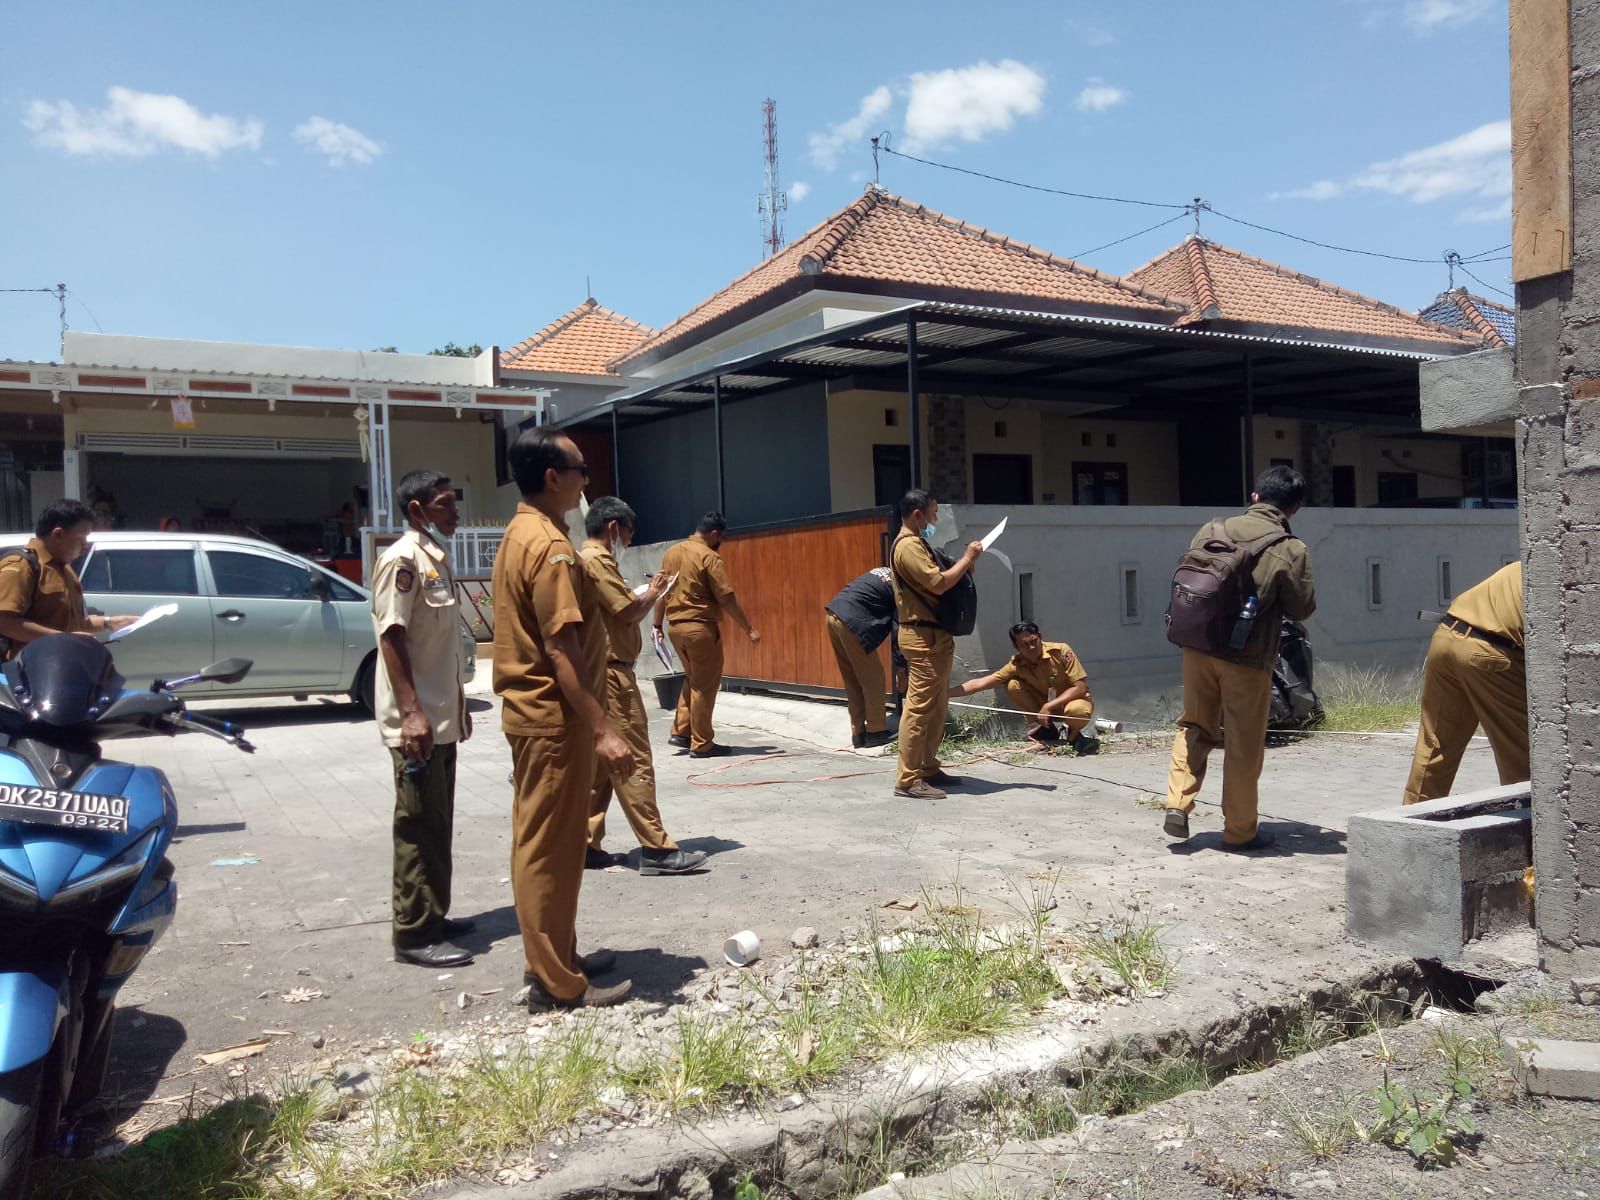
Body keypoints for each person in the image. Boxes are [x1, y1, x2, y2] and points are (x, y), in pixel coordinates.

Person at [493, 428, 635, 1010]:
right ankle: (555, 981)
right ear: (553, 478)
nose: (586, 481)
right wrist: (603, 729)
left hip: (540, 716)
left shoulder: (523, 531)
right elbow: (561, 649)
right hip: (552, 719)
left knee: (553, 843)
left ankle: (558, 956)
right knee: (546, 848)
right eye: (580, 470)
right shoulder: (549, 547)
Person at [1162, 466, 1316, 851]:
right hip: (1247, 656)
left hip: (1198, 645)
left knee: (1195, 725)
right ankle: (1240, 831)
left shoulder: (1212, 529)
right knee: (1243, 743)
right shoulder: (1290, 548)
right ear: (1295, 508)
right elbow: (1301, 608)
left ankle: (1177, 802)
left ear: (1254, 497)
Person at [372, 470, 472, 969]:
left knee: (437, 822)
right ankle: (413, 932)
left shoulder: (436, 558)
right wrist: (412, 712)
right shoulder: (402, 560)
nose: (455, 512)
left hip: (439, 719)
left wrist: (455, 710)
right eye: (445, 504)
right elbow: (392, 636)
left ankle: (434, 914)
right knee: (417, 825)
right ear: (417, 510)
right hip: (417, 723)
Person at [580, 497, 710, 876]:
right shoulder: (596, 561)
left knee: (601, 767)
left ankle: (585, 843)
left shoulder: (590, 561)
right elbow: (627, 610)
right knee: (632, 758)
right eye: (628, 533)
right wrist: (656, 591)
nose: (629, 540)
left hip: (602, 672)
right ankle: (656, 848)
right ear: (613, 528)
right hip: (612, 676)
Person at [1401, 560, 1527, 806]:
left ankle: (1409, 818)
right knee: (1524, 756)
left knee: (1435, 746)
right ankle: (1531, 820)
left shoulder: (1529, 562)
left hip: (1447, 635)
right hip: (1490, 652)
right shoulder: (1567, 575)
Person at [890, 490, 983, 799]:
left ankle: (928, 767)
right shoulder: (908, 546)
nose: (936, 519)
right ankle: (908, 779)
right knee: (919, 709)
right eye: (933, 513)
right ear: (917, 514)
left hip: (934, 636)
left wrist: (964, 566)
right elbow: (938, 583)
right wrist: (967, 559)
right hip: (922, 638)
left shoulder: (919, 544)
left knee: (936, 706)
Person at [652, 512, 760, 758]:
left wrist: (656, 625)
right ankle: (702, 743)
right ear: (714, 534)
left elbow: (660, 592)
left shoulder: (671, 552)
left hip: (675, 627)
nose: (721, 542)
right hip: (699, 628)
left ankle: (682, 731)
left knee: (693, 678)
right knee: (704, 685)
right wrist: (748, 628)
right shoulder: (709, 557)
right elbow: (726, 598)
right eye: (721, 538)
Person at [0, 499, 136, 659]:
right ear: (58, 534)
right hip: (36, 668)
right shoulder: (22, 566)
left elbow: (74, 623)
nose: (85, 545)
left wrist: (108, 622)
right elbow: (4, 622)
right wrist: (63, 639)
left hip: (66, 664)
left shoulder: (64, 568)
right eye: (81, 538)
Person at [951, 621, 1098, 752]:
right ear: (1016, 647)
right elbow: (981, 683)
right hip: (1043, 710)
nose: (1031, 647)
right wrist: (944, 693)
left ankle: (1073, 735)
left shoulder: (1061, 651)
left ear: (1040, 637)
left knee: (1077, 711)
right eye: (1024, 645)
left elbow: (1080, 687)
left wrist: (1049, 706)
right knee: (1012, 685)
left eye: (1034, 641)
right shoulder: (1016, 664)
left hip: (1072, 702)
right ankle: (1047, 730)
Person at [823, 567, 899, 748]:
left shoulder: (884, 572)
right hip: (852, 621)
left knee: (852, 679)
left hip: (833, 614)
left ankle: (858, 732)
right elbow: (899, 629)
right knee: (874, 679)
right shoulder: (901, 585)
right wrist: (902, 667)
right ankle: (876, 731)